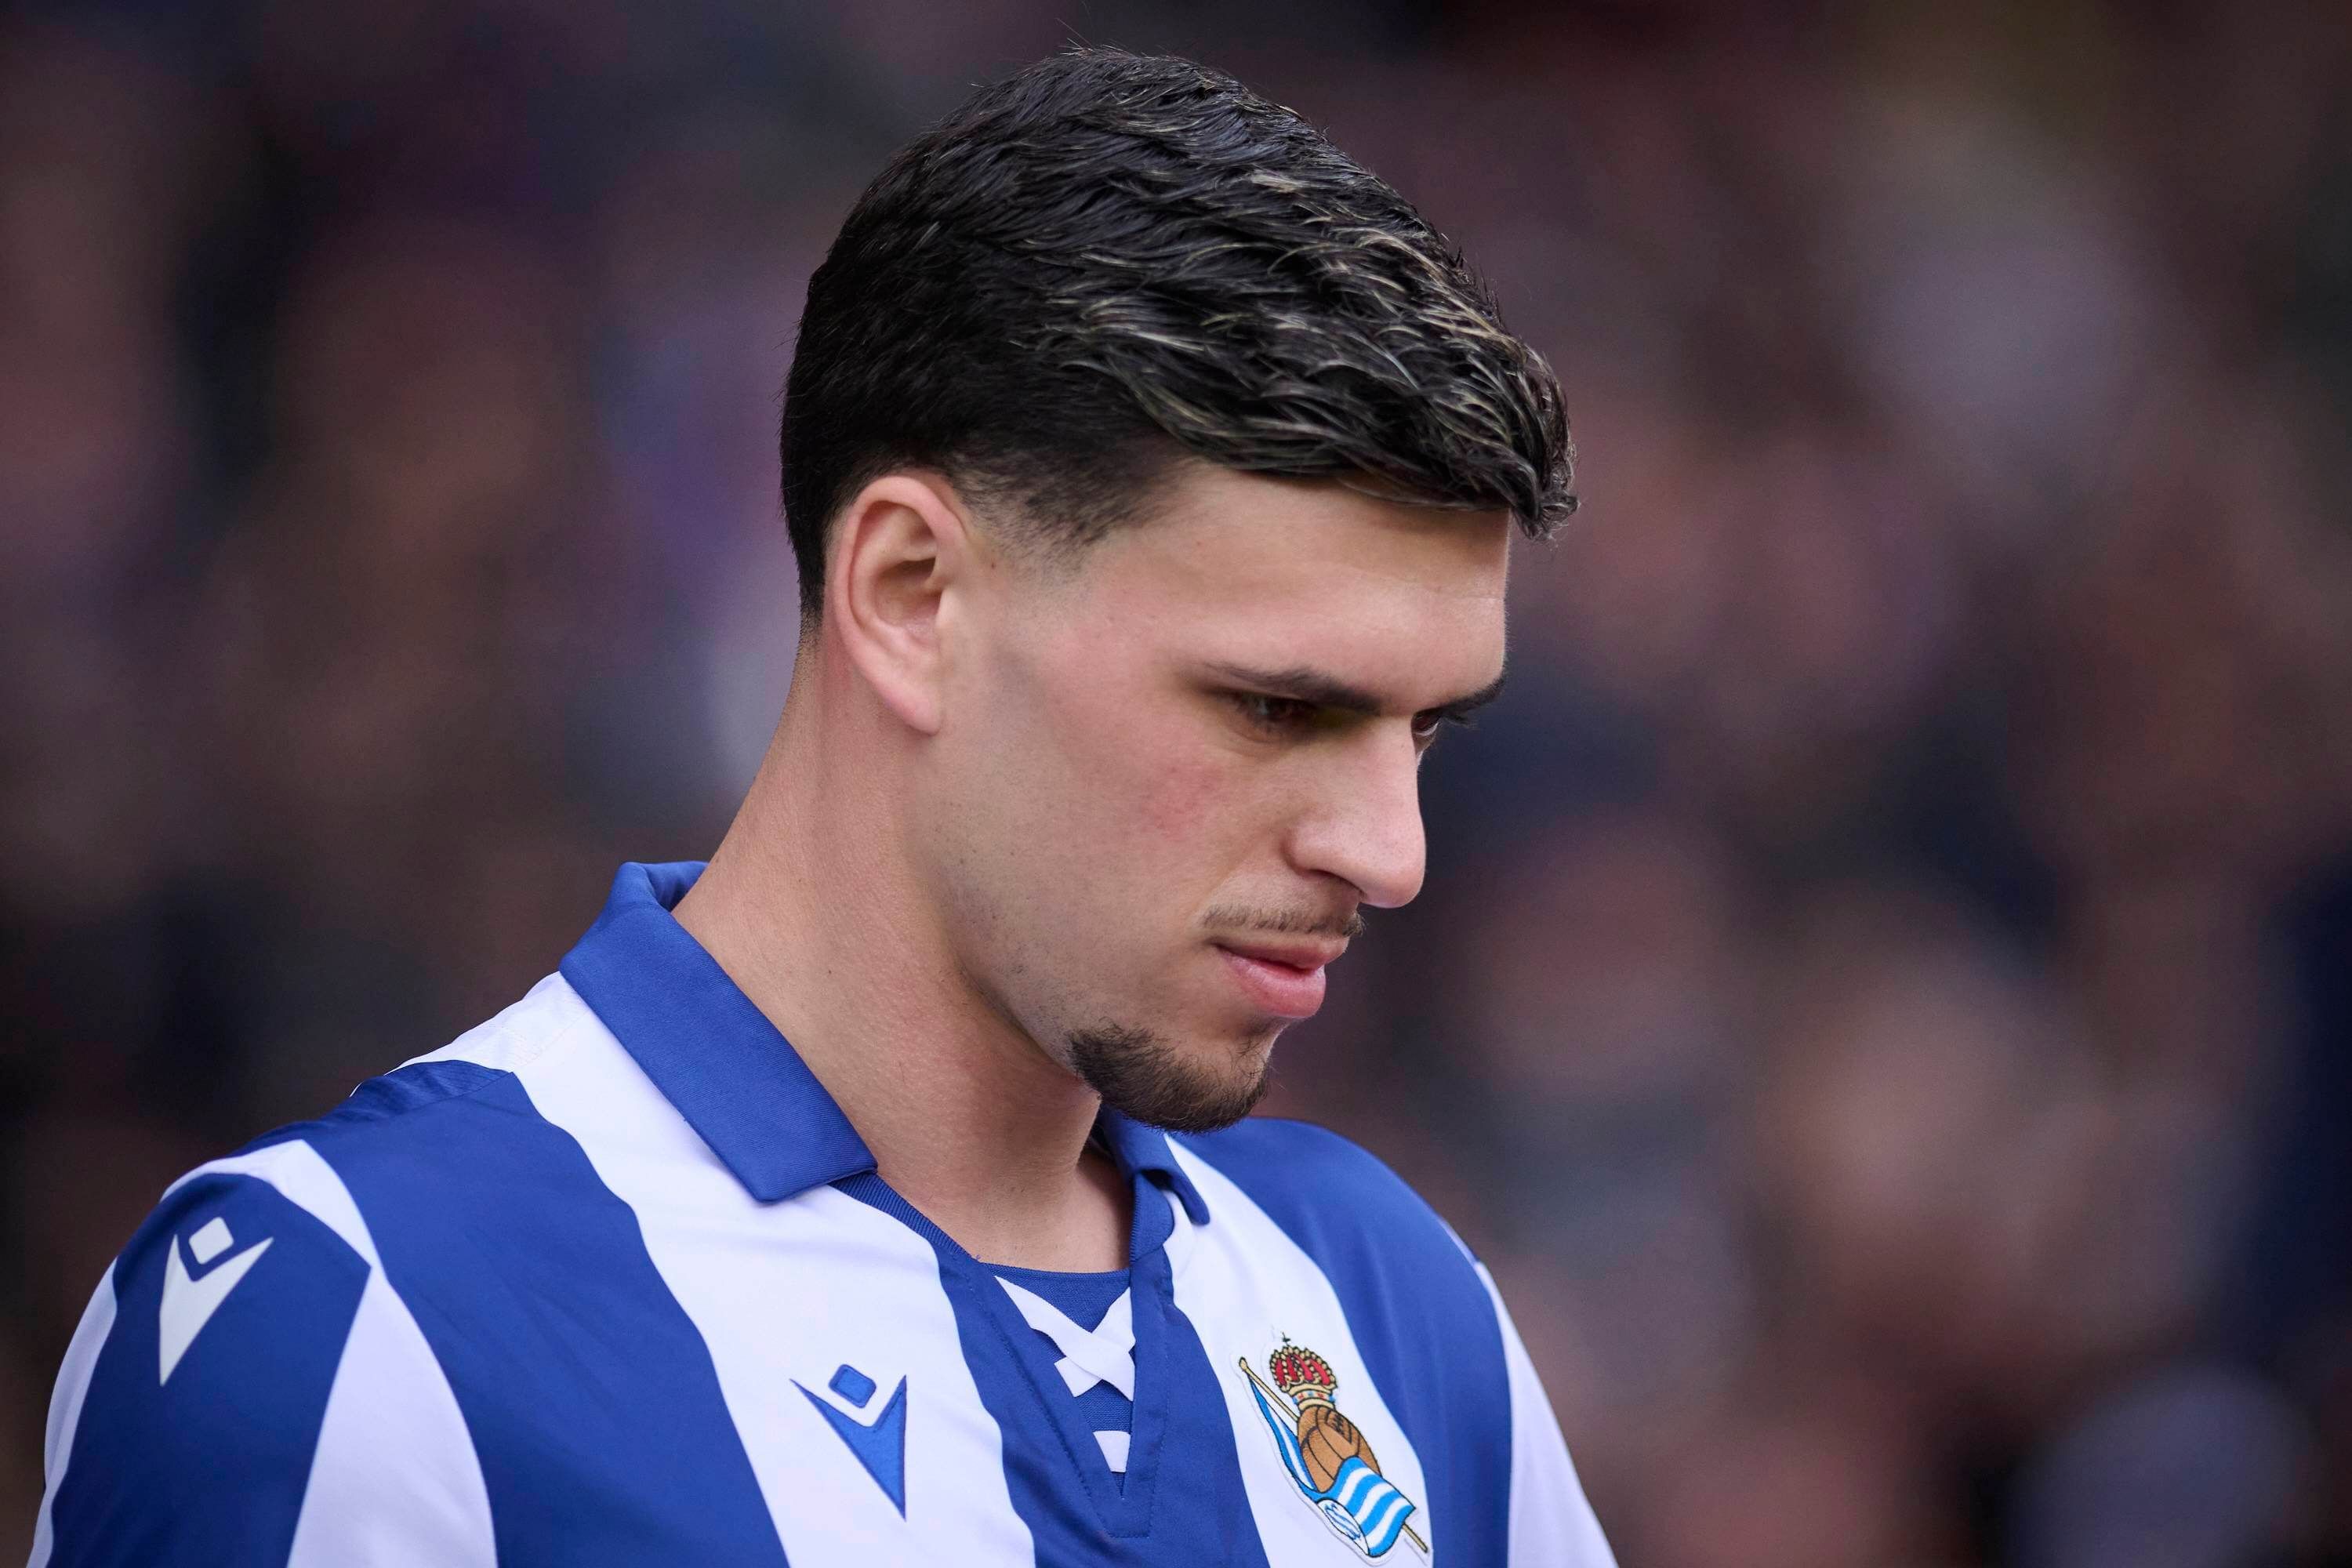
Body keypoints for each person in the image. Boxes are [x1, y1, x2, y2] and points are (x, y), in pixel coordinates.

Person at [27, 45, 1614, 1567]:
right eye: (1278, 706)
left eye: (1426, 731)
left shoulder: (1393, 1314)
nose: (1390, 855)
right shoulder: (358, 1316)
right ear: (910, 593)